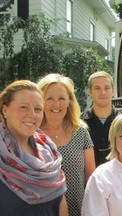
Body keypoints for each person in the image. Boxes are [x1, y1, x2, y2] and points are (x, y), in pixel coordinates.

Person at [0, 80, 68, 216]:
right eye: (24, 107)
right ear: (5, 110)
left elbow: (60, 205)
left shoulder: (49, 153)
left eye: (37, 109)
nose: (32, 114)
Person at [38, 73, 96, 216]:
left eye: (62, 98)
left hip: (79, 210)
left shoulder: (81, 132)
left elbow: (91, 178)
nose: (56, 104)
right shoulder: (31, 134)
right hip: (43, 210)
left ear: (70, 101)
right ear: (40, 101)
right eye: (49, 98)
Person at [81, 71, 120, 167]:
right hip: (88, 181)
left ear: (113, 91)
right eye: (97, 88)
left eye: (107, 88)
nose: (103, 93)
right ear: (90, 91)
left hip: (120, 181)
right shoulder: (78, 123)